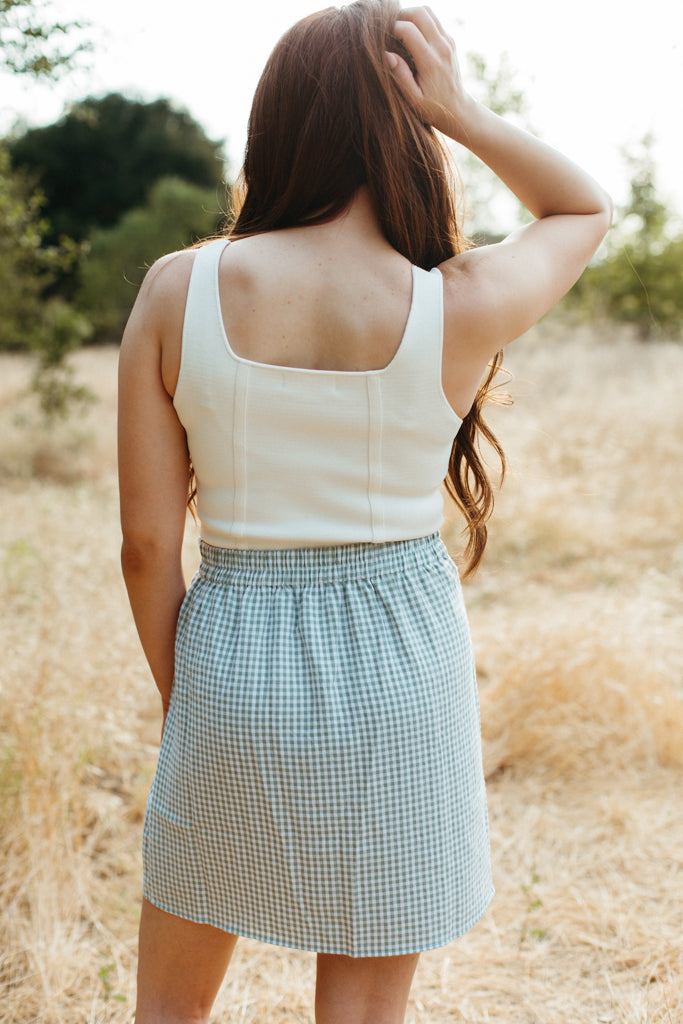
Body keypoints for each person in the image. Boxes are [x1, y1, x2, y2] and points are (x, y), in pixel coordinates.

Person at [118, 3, 612, 1021]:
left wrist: (196, 697)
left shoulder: (178, 289)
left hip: (230, 650)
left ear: (273, 125)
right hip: (400, 661)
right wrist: (464, 114)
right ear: (406, 133)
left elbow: (145, 545)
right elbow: (580, 211)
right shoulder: (454, 301)